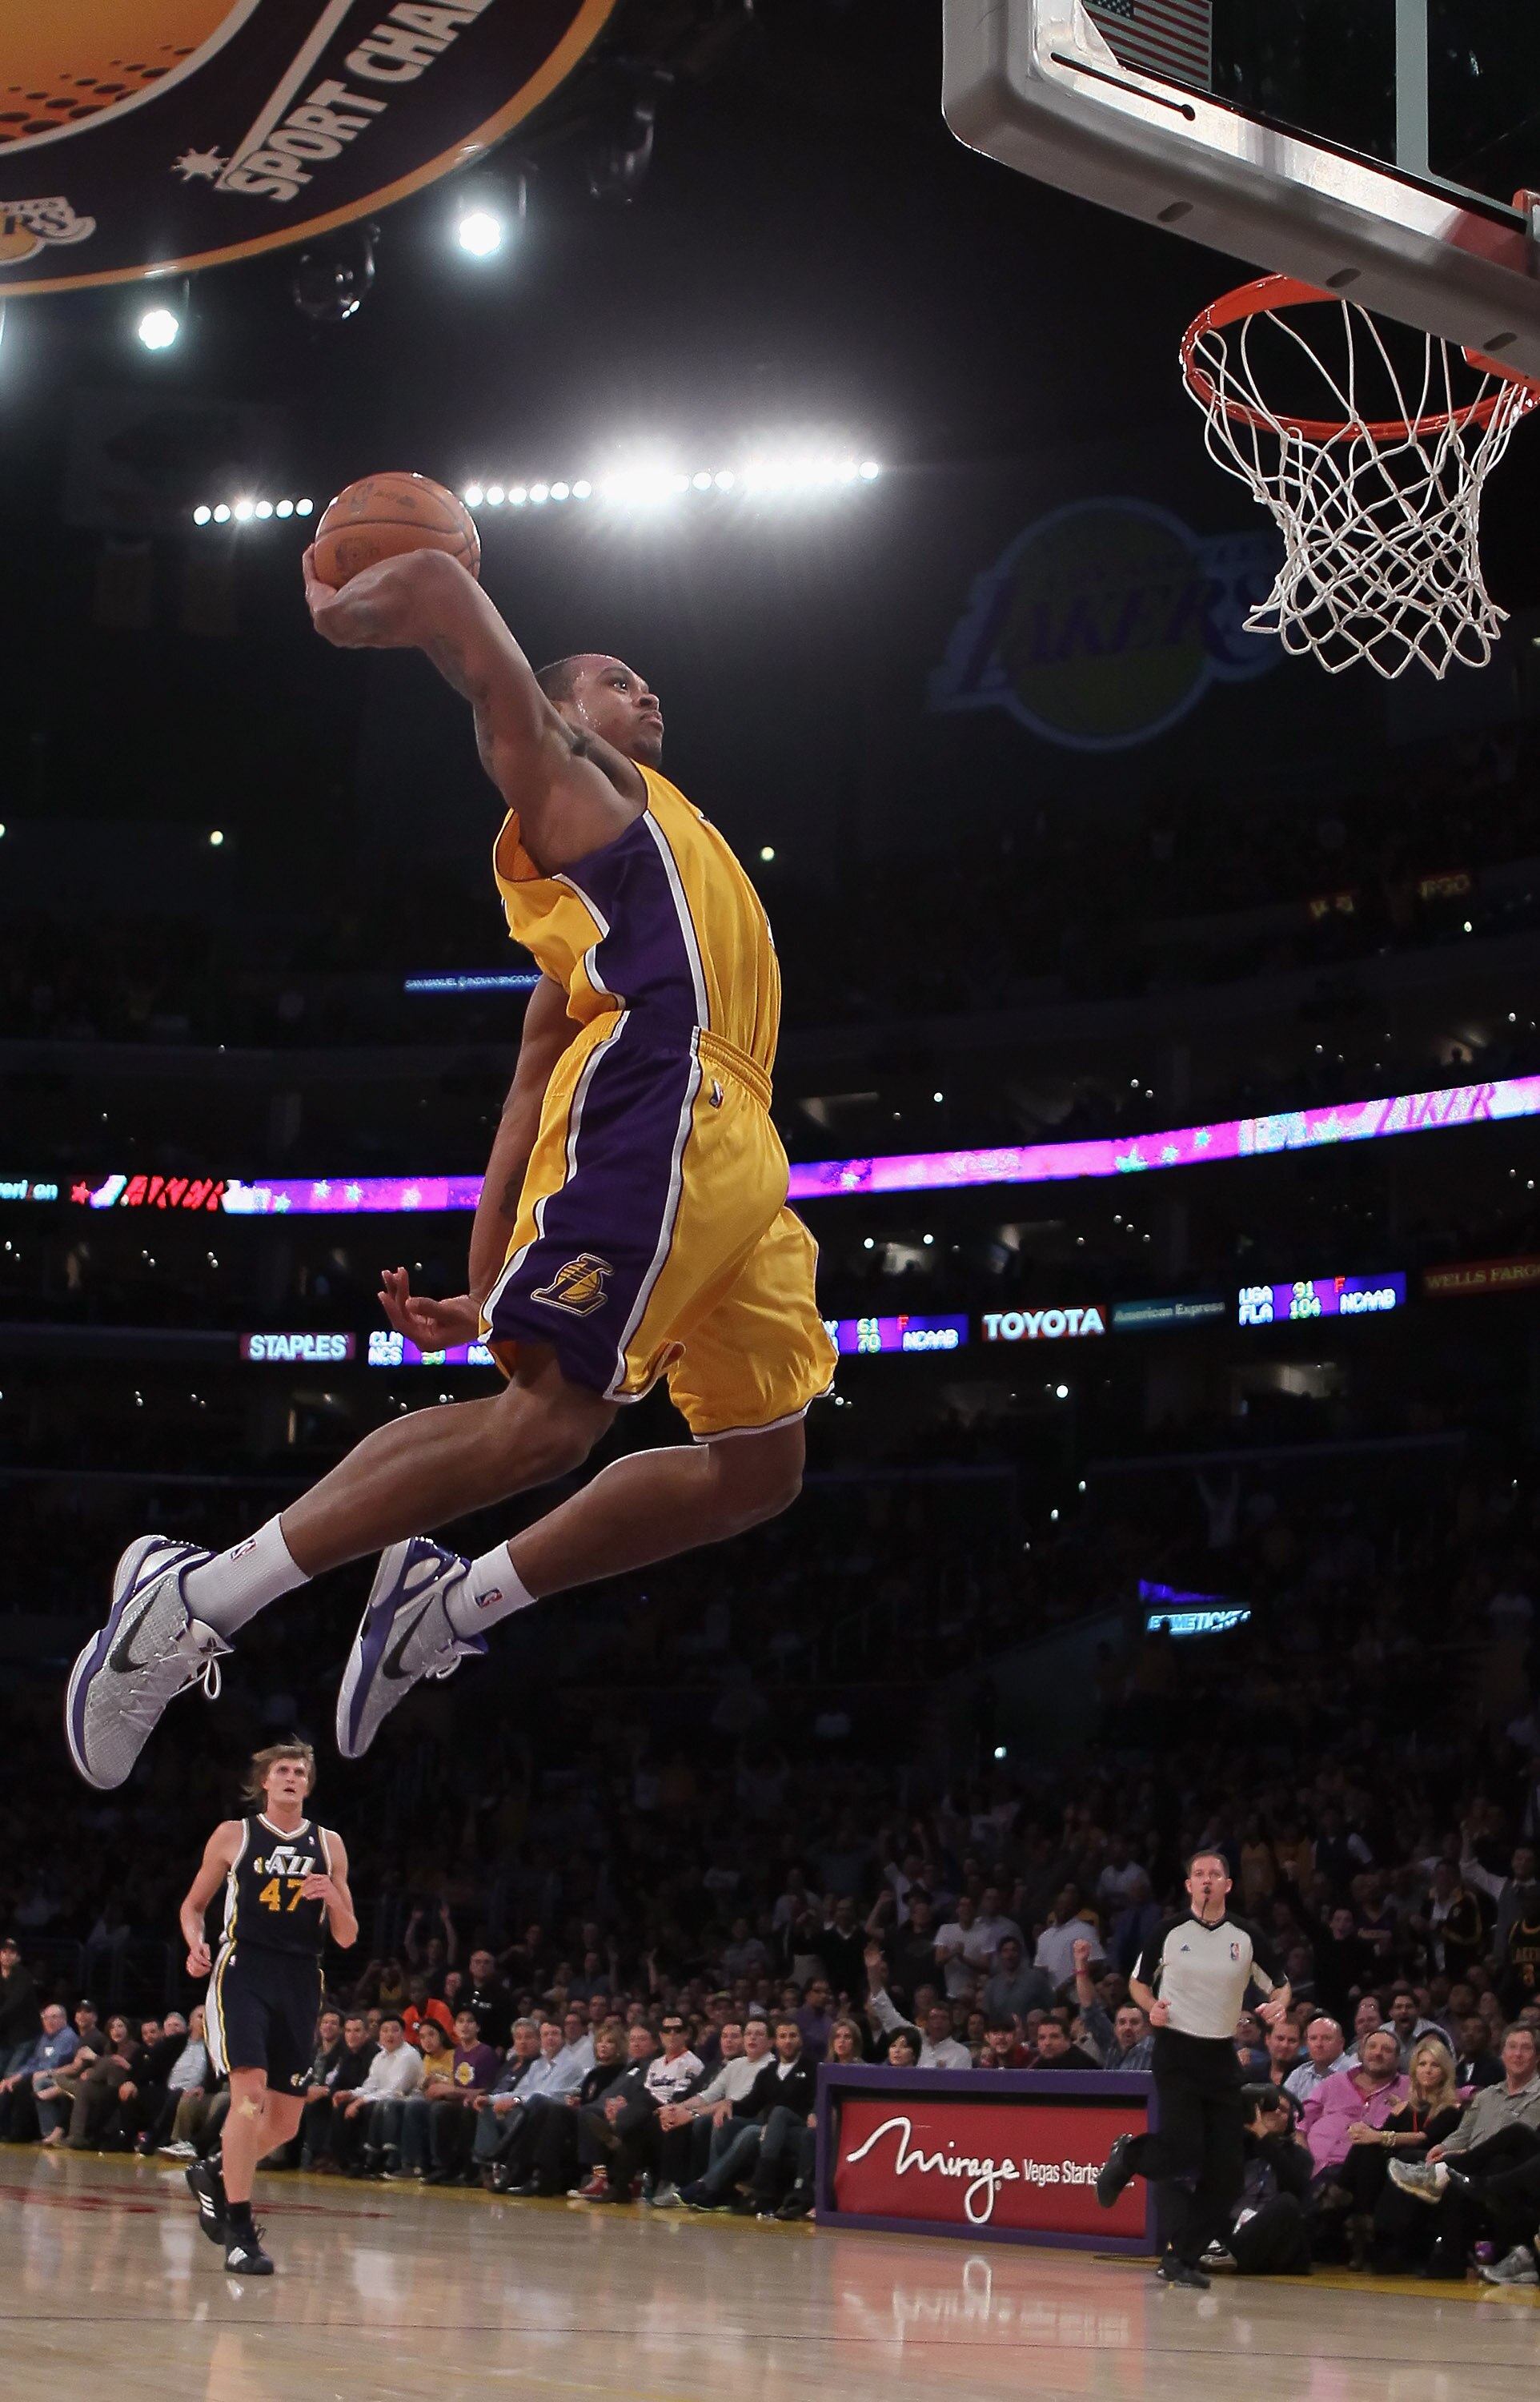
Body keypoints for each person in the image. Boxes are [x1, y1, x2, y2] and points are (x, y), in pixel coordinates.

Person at [66, 560, 836, 1797]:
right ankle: (194, 1601)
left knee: (760, 1467)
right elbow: (499, 695)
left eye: (646, 679)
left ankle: (449, 1601)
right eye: (616, 679)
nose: (648, 691)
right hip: (670, 1096)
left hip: (737, 1141)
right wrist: (427, 585)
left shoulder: (649, 861)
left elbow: (528, 1088)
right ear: (567, 717)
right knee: (552, 1424)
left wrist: (488, 1285)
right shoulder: (587, 795)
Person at [178, 1740, 357, 2273]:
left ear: (308, 1784)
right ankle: (239, 2231)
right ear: (264, 1781)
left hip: (301, 1978)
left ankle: (214, 2170)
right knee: (249, 2097)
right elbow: (193, 1906)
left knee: (283, 2124)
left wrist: (334, 1897)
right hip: (243, 1969)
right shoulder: (235, 1834)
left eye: (300, 1771)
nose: (292, 1777)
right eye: (282, 1770)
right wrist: (195, 1943)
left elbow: (347, 1936)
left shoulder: (329, 1844)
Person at [1095, 1849, 1291, 2290]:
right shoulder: (1167, 1931)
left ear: (1228, 1885)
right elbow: (1137, 1983)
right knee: (1182, 2149)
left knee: (1226, 2177)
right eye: (1198, 1874)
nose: (1206, 1880)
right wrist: (1151, 2007)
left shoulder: (1246, 1935)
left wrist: (1278, 2007)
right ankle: (1128, 2155)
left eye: (1215, 1874)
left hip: (1221, 2056)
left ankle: (1181, 2257)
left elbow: (1281, 1986)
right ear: (1188, 1885)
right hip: (1177, 2050)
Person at [1225, 2086, 1313, 2274]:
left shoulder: (1300, 2156)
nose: (1276, 2112)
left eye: (1283, 2110)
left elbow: (1297, 2187)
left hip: (1273, 2240)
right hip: (1233, 2231)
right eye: (1270, 2107)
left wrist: (1263, 2136)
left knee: (1287, 2202)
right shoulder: (1237, 2148)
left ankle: (1227, 2257)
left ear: (1290, 2120)